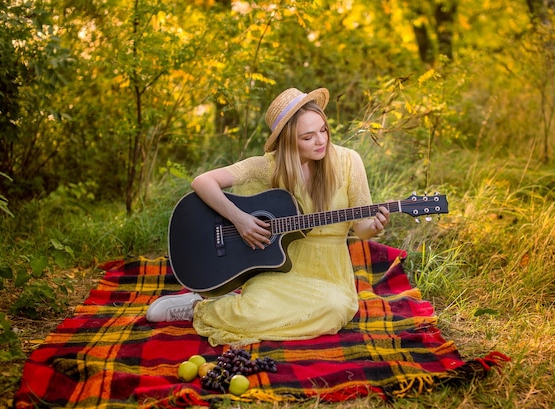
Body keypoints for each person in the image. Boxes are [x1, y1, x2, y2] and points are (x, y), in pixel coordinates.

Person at [146, 87, 390, 347]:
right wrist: (240, 220)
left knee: (335, 308)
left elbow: (362, 229)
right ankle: (199, 305)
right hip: (281, 266)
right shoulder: (269, 166)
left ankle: (202, 309)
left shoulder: (349, 162)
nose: (321, 141)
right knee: (251, 308)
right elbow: (202, 182)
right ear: (288, 141)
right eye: (308, 137)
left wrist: (373, 227)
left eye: (323, 130)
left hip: (329, 273)